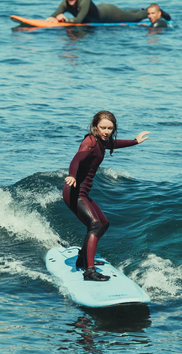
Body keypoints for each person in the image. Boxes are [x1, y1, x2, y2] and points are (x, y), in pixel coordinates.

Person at [63, 111, 150, 281]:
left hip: (84, 193)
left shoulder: (102, 142)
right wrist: (72, 175)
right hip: (74, 192)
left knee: (103, 224)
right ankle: (89, 271)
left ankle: (83, 258)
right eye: (103, 127)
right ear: (95, 126)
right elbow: (77, 159)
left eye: (110, 128)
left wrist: (135, 141)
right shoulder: (90, 141)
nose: (106, 131)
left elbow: (113, 144)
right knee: (95, 225)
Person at [46, 0, 163, 24]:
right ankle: (140, 9)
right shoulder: (65, 3)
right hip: (102, 9)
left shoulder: (84, 1)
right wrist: (52, 18)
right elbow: (54, 15)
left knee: (134, 18)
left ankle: (155, 11)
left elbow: (79, 19)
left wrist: (64, 20)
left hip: (109, 13)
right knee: (127, 12)